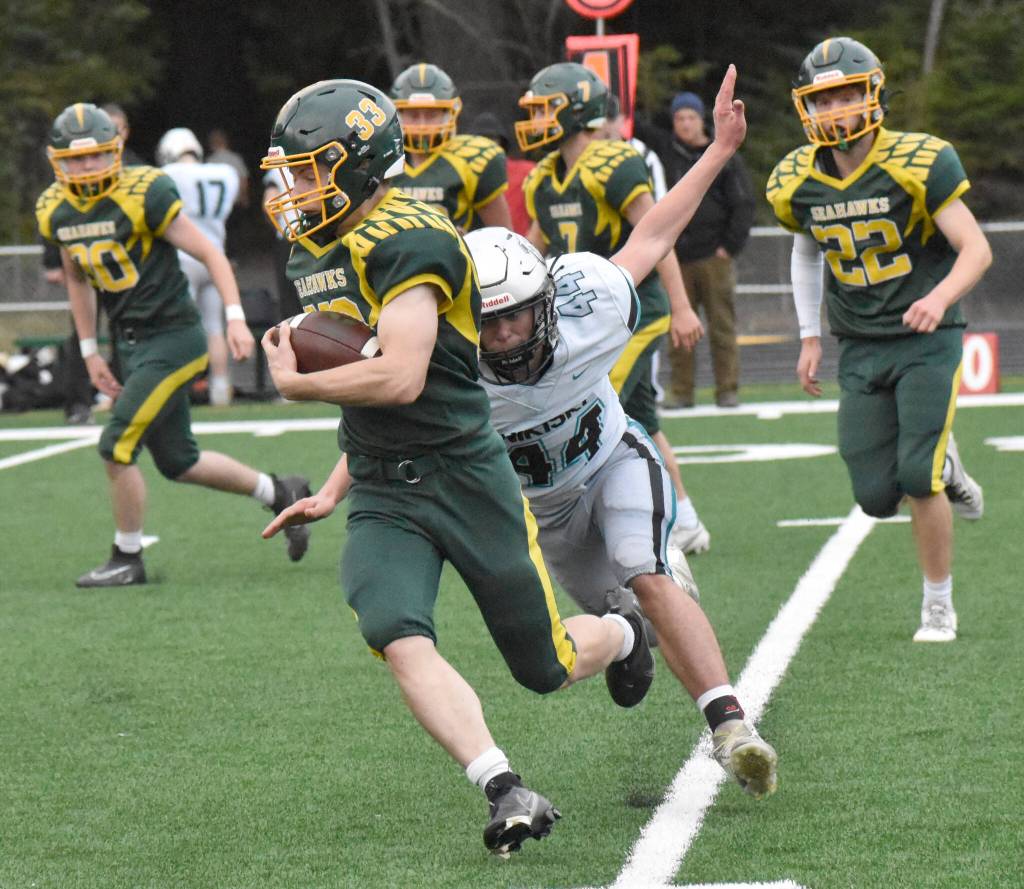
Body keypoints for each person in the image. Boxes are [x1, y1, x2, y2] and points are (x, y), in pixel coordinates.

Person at [258, 78, 655, 856]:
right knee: (393, 627)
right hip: (381, 480)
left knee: (548, 663)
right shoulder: (313, 241)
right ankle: (503, 784)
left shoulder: (412, 236)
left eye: (310, 169)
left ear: (362, 165)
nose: (294, 187)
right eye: (292, 171)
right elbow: (365, 374)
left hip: (462, 472)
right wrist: (336, 484)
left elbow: (401, 375)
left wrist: (299, 383)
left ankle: (625, 632)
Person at [468, 64, 777, 805]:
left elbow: (654, 231)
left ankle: (732, 726)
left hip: (610, 456)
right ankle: (629, 636)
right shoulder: (454, 364)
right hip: (544, 508)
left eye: (518, 312)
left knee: (647, 565)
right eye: (489, 320)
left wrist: (718, 152)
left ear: (546, 298)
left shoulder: (587, 303)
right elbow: (382, 403)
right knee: (593, 630)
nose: (507, 333)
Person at [766, 37, 989, 642]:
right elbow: (807, 250)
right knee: (874, 497)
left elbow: (976, 248)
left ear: (873, 94)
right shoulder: (797, 178)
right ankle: (944, 457)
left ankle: (937, 604)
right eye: (823, 98)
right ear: (805, 106)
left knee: (918, 478)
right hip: (859, 342)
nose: (835, 110)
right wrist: (809, 337)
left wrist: (939, 297)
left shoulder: (918, 160)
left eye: (845, 95)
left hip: (926, 336)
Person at [36, 103, 312, 587]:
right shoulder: (54, 208)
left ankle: (127, 557)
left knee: (115, 444)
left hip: (173, 337)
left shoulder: (144, 191)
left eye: (95, 157)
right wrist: (89, 349)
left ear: (115, 153)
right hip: (128, 343)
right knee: (178, 461)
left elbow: (209, 251)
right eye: (74, 160)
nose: (84, 168)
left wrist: (232, 317)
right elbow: (78, 279)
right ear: (56, 160)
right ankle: (279, 491)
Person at [517, 62, 710, 555]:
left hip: (633, 310)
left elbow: (657, 235)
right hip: (583, 316)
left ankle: (613, 525)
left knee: (591, 410)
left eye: (545, 109)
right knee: (641, 415)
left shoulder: (615, 163)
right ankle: (685, 517)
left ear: (576, 111)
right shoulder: (543, 178)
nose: (536, 120)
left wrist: (683, 307)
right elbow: (529, 251)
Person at [661, 91, 754, 409]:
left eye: (690, 117)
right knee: (679, 329)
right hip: (677, 257)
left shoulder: (722, 154)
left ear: (701, 119)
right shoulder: (666, 156)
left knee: (721, 326)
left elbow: (742, 202)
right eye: (679, 118)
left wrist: (729, 246)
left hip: (714, 256)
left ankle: (727, 389)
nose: (685, 124)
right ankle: (681, 391)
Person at [157, 127, 241, 406]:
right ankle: (219, 387)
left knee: (179, 326)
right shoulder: (224, 174)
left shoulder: (168, 175)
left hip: (184, 257)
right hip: (216, 256)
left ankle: (179, 388)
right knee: (215, 327)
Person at [388, 63, 513, 232]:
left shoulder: (473, 158)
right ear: (398, 114)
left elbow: (504, 239)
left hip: (456, 258)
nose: (422, 125)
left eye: (432, 115)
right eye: (413, 115)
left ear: (449, 114)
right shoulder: (385, 159)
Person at [466, 110, 536, 236]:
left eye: (491, 139)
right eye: (481, 140)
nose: (485, 145)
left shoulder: (528, 171)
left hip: (520, 246)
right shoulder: (464, 175)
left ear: (501, 143)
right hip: (477, 245)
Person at [207, 128, 251, 209]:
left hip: (217, 206)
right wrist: (244, 197)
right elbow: (243, 180)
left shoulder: (209, 161)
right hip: (235, 203)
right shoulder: (235, 158)